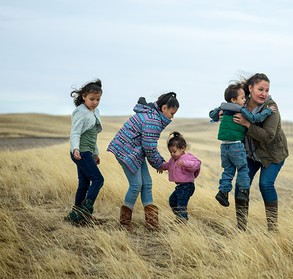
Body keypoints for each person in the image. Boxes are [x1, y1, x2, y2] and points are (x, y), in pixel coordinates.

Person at [107, 92, 179, 230]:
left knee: (147, 183)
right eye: (172, 113)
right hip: (126, 151)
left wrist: (158, 162)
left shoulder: (152, 115)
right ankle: (124, 223)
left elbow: (147, 147)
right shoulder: (153, 120)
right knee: (136, 184)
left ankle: (151, 222)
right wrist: (159, 164)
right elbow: (149, 147)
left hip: (135, 152)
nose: (172, 117)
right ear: (164, 108)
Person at [227, 73, 288, 231]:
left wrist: (247, 124)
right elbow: (228, 108)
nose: (264, 93)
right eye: (260, 89)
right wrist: (223, 114)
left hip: (273, 154)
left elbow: (268, 137)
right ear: (250, 88)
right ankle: (241, 229)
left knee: (265, 184)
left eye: (266, 90)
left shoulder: (271, 107)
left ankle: (272, 230)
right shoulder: (241, 101)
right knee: (242, 184)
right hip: (251, 153)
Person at [208, 82, 274, 208]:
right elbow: (255, 119)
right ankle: (243, 192)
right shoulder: (241, 110)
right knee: (243, 169)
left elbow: (211, 115)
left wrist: (219, 113)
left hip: (224, 147)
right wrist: (268, 111)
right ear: (234, 99)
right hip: (236, 146)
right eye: (242, 98)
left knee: (228, 170)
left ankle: (223, 192)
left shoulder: (223, 107)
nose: (245, 100)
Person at [65, 79, 105, 226]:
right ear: (84, 97)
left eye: (98, 99)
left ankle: (75, 215)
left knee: (84, 184)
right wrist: (75, 149)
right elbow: (75, 133)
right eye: (92, 99)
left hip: (88, 152)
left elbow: (93, 136)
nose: (95, 102)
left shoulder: (96, 111)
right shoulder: (80, 112)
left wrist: (95, 153)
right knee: (98, 179)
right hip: (80, 152)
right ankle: (85, 213)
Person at [160, 132, 201, 223]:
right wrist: (161, 165)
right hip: (179, 186)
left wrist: (185, 164)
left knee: (181, 204)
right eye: (170, 152)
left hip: (187, 186)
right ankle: (179, 217)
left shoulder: (187, 157)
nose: (172, 154)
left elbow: (197, 164)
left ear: (182, 148)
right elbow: (168, 165)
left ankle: (182, 221)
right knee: (172, 201)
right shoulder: (173, 159)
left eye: (174, 151)